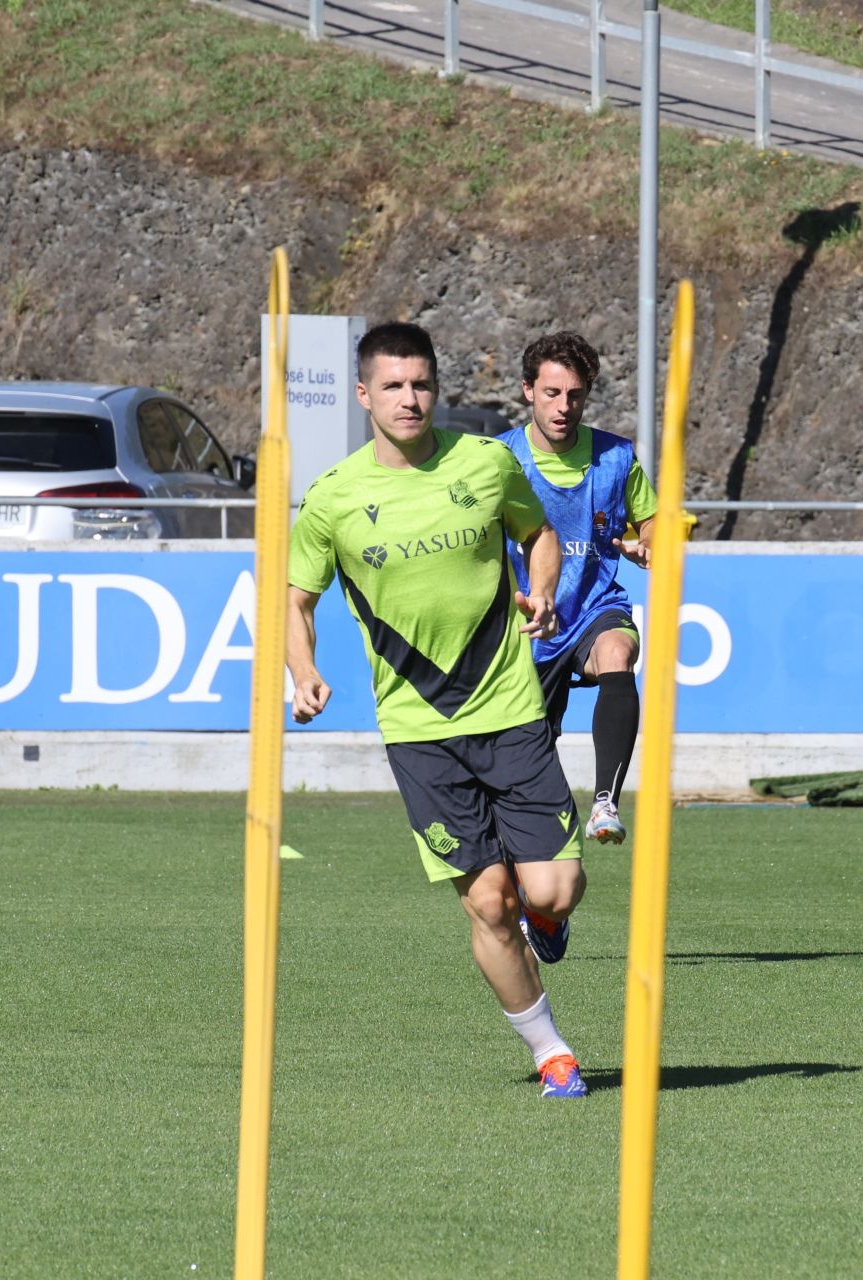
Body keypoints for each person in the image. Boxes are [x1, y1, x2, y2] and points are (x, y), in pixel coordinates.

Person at [285, 321, 591, 1099]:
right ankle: (551, 1052)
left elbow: (539, 533)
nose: (409, 398)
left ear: (437, 388)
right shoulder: (333, 500)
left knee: (553, 891)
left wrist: (545, 585)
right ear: (364, 396)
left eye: (421, 383)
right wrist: (303, 669)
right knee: (488, 901)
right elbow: (295, 600)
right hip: (420, 733)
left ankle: (545, 920)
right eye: (392, 385)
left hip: (509, 706)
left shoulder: (487, 464)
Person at [498, 332, 659, 846]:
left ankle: (606, 802)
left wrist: (647, 544)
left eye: (575, 395)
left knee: (619, 651)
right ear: (527, 391)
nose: (563, 406)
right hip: (527, 625)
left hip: (594, 607)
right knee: (527, 770)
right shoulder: (496, 459)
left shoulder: (616, 457)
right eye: (551, 393)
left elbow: (652, 522)